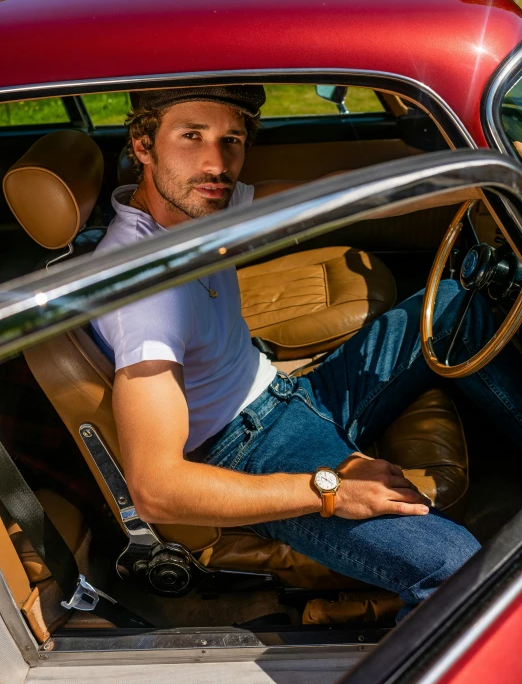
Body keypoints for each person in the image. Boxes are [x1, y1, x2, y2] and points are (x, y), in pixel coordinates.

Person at [92, 83, 522, 619]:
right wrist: (332, 490)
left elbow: (345, 193)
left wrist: (492, 177)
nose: (216, 163)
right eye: (191, 137)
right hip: (249, 454)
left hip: (289, 391)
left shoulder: (199, 207)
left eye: (231, 140)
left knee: (459, 302)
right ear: (143, 146)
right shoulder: (142, 294)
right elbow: (157, 488)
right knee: (462, 574)